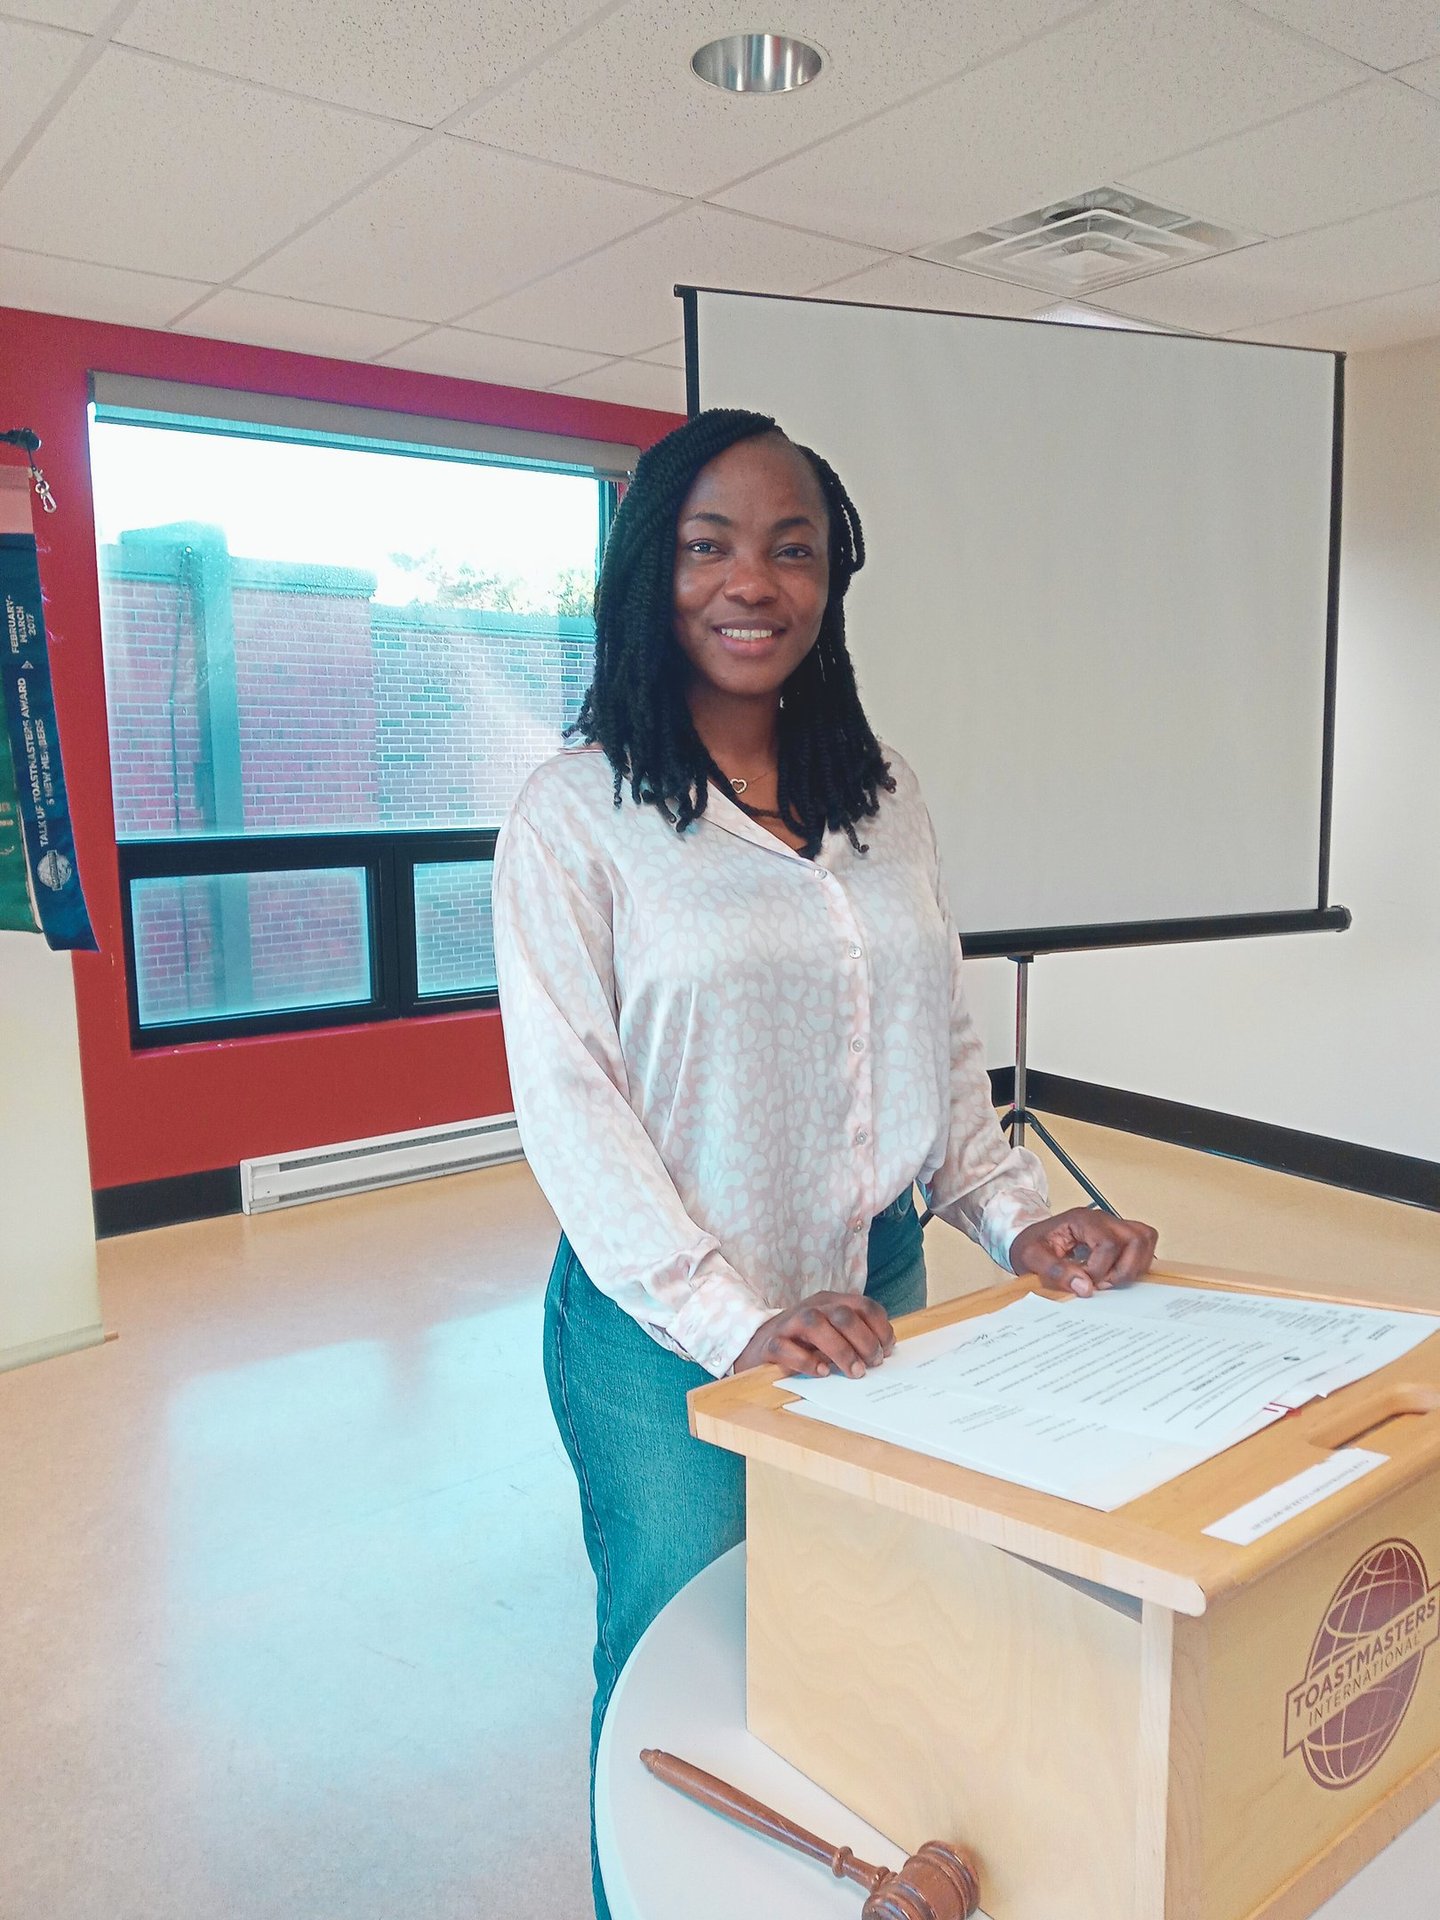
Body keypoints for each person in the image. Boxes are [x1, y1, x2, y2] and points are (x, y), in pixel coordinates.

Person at [491, 407, 1158, 1919]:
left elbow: (938, 1047)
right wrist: (736, 1321)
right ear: (649, 569)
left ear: (830, 583)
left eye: (794, 549)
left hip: (878, 1291)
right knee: (679, 1655)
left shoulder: (883, 790)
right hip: (664, 1337)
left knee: (863, 1637)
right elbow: (573, 1113)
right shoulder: (573, 820)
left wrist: (1024, 1220)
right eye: (711, 542)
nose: (755, 581)